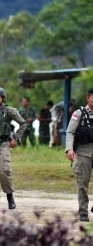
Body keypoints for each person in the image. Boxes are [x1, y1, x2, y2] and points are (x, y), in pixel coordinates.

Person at [66, 88, 93, 222]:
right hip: (84, 152)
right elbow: (70, 132)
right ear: (88, 98)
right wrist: (69, 149)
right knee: (83, 183)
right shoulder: (79, 113)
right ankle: (83, 211)